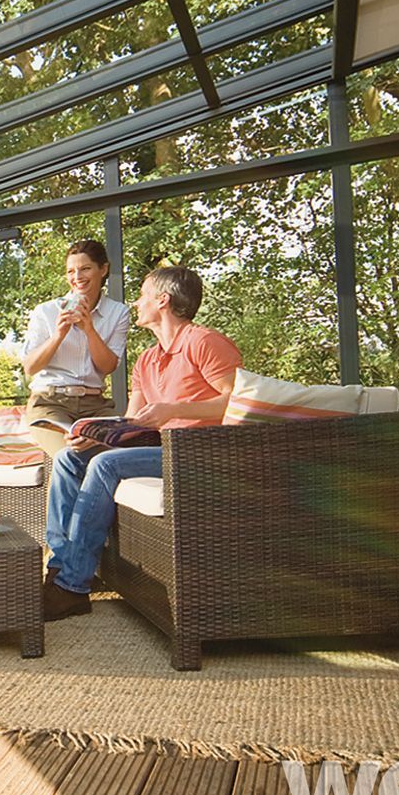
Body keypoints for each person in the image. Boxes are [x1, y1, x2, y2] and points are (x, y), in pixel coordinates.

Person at [42, 264, 241, 621]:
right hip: (158, 449)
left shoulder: (204, 342)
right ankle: (59, 569)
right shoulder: (147, 360)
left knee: (106, 465)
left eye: (142, 295)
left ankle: (72, 588)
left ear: (163, 300)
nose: (136, 303)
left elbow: (237, 401)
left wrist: (173, 409)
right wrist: (93, 434)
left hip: (198, 451)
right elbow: (131, 422)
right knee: (68, 458)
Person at [19, 239, 131, 460]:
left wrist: (89, 329)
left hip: (95, 406)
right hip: (50, 403)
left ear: (103, 269)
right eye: (71, 271)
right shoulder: (46, 311)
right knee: (70, 457)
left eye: (85, 268)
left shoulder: (118, 312)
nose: (77, 277)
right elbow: (30, 367)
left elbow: (108, 367)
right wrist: (59, 335)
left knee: (120, 457)